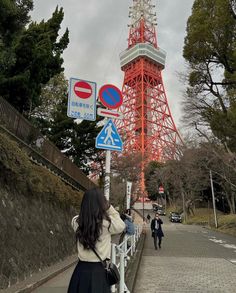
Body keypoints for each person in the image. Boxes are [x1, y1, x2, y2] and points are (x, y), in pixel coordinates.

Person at [68, 188, 125, 293]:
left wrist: (86, 213)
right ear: (101, 204)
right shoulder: (106, 224)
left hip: (80, 271)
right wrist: (109, 207)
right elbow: (121, 225)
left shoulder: (77, 222)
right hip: (98, 272)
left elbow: (78, 217)